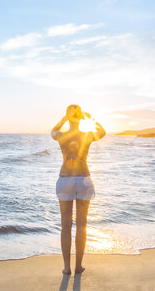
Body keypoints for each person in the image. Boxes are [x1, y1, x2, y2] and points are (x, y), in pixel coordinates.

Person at [51, 104, 106, 275]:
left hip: (65, 179)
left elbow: (53, 131)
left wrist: (64, 119)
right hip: (83, 179)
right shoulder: (86, 135)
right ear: (81, 117)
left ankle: (67, 268)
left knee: (65, 226)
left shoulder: (61, 135)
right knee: (81, 225)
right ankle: (78, 266)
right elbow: (102, 132)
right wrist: (90, 119)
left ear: (68, 117)